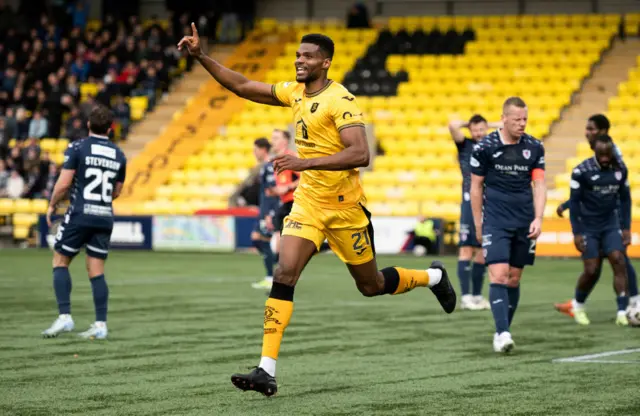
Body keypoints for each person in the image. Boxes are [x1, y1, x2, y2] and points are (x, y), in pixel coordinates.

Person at [179, 24, 457, 396]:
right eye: (297, 55)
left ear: (325, 63)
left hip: (345, 211)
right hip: (308, 204)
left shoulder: (340, 100)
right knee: (284, 271)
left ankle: (433, 278)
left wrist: (304, 164)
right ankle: (266, 369)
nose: (299, 60)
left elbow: (361, 153)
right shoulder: (294, 92)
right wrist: (201, 57)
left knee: (371, 286)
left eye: (307, 56)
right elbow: (243, 86)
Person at [41, 105, 127, 340]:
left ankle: (65, 317)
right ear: (110, 129)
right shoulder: (119, 154)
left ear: (88, 125)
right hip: (104, 216)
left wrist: (52, 204)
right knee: (96, 270)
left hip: (80, 213)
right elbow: (116, 191)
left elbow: (63, 184)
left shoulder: (78, 147)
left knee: (60, 260)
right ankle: (100, 325)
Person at [470, 97, 546, 353]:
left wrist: (538, 217)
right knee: (500, 275)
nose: (522, 124)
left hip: (524, 221)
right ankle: (503, 333)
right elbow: (476, 186)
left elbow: (540, 184)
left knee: (514, 278)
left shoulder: (535, 147)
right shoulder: (485, 147)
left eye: (525, 119)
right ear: (503, 118)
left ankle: (503, 329)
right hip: (496, 221)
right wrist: (478, 223)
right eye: (517, 119)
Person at [554, 114, 639, 316]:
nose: (587, 133)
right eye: (587, 129)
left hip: (611, 216)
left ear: (602, 132)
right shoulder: (594, 159)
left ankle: (634, 302)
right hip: (600, 215)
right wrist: (568, 203)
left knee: (620, 259)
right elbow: (593, 186)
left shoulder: (611, 154)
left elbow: (615, 186)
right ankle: (578, 303)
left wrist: (624, 225)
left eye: (591, 129)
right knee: (598, 263)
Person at [449, 115, 501, 311]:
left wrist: (489, 125)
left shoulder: (491, 145)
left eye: (481, 129)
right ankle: (466, 296)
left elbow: (507, 126)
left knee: (483, 252)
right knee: (466, 249)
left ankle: (478, 296)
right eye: (475, 130)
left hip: (489, 203)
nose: (478, 133)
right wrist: (467, 123)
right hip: (470, 203)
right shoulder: (464, 145)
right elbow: (453, 124)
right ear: (470, 130)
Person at [250, 137, 279, 291]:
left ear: (262, 149)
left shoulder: (270, 166)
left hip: (269, 211)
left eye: (255, 149)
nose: (254, 153)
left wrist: (269, 213)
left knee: (263, 239)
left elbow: (273, 191)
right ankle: (279, 266)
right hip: (264, 210)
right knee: (256, 239)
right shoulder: (264, 166)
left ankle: (272, 276)